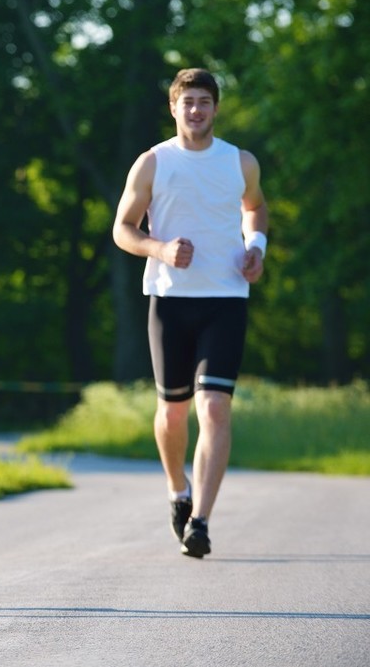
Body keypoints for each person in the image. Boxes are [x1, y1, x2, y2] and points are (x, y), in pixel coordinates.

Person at [112, 67, 269, 558]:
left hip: (225, 300)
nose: (196, 110)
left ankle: (199, 520)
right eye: (188, 102)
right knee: (173, 413)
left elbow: (255, 207)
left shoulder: (239, 162)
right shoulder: (153, 163)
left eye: (204, 101)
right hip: (170, 300)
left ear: (215, 108)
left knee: (216, 407)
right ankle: (177, 490)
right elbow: (123, 228)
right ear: (173, 108)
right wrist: (159, 249)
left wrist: (256, 247)